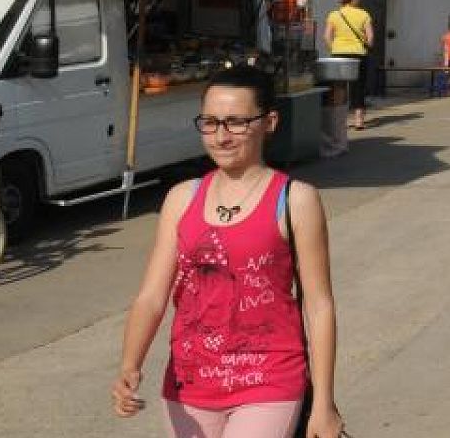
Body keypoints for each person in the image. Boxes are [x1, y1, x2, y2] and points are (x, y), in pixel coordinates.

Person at [112, 67, 343, 438]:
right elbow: (152, 297)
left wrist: (324, 403)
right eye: (210, 122)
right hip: (189, 383)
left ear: (269, 122)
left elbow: (319, 305)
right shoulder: (181, 199)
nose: (221, 136)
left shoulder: (295, 200)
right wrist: (129, 364)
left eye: (236, 122)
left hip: (269, 379)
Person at [323, 0, 374, 132]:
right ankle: (358, 120)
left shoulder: (334, 15)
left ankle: (339, 120)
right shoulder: (364, 14)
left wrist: (333, 48)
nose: (360, 0)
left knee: (339, 87)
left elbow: (326, 36)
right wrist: (367, 46)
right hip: (358, 54)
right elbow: (370, 37)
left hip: (339, 54)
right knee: (359, 86)